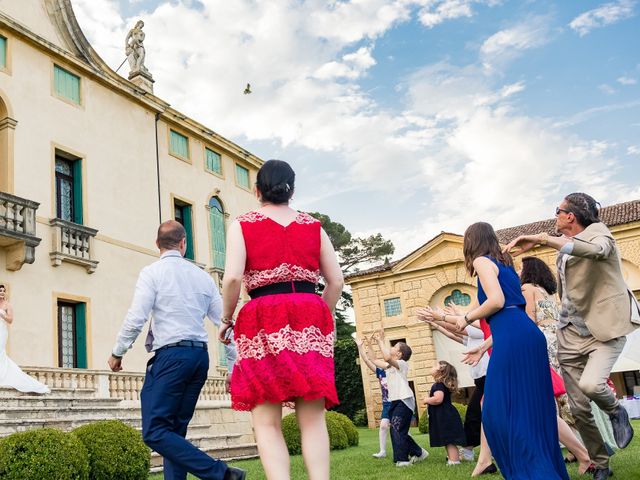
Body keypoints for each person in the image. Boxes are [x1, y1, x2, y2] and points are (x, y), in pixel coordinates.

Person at [218, 159, 342, 480]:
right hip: (309, 311)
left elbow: (232, 278)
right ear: (292, 191)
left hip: (262, 316)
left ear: (257, 190)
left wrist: (226, 318)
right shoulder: (313, 226)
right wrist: (320, 316)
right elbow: (336, 281)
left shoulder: (242, 225)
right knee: (313, 419)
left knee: (267, 420)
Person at [505, 193, 638, 480]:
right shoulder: (563, 250)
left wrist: (542, 238)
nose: (555, 217)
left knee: (592, 384)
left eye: (558, 211)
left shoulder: (599, 233)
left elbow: (597, 251)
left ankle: (616, 412)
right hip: (570, 335)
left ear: (571, 216)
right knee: (578, 408)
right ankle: (600, 463)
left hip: (603, 331)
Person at [108, 220, 245, 480]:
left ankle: (223, 474)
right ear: (183, 244)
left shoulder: (152, 273)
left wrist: (118, 352)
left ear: (157, 244)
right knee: (174, 432)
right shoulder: (202, 277)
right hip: (198, 358)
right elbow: (229, 325)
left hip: (171, 357)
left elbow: (137, 317)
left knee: (155, 431)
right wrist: (232, 366)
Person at [448, 222, 568, 479]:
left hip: (513, 335)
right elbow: (511, 310)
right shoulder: (505, 263)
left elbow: (497, 302)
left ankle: (530, 469)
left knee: (493, 409)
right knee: (532, 406)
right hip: (522, 334)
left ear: (471, 242)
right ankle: (541, 467)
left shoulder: (481, 261)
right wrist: (483, 346)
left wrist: (466, 318)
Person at [519, 256, 592, 474]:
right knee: (561, 394)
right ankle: (577, 448)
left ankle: (578, 451)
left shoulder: (527, 288)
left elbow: (529, 319)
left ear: (528, 270)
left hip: (541, 339)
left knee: (548, 398)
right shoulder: (547, 291)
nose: (519, 271)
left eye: (521, 267)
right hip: (557, 339)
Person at [374, 329, 429, 467]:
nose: (391, 348)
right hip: (395, 401)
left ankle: (403, 460)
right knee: (397, 429)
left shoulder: (402, 364)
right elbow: (374, 360)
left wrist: (381, 340)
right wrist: (370, 344)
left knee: (397, 428)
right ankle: (419, 452)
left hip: (404, 400)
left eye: (394, 347)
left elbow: (386, 358)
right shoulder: (390, 366)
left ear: (399, 354)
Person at [0, 285, 49, 394]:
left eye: (3, 291)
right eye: (0, 291)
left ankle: (4, 376)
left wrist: (2, 315)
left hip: (2, 331)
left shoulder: (8, 305)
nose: (2, 293)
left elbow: (10, 320)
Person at [423, 360, 466, 465]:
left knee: (449, 439)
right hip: (446, 414)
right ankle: (453, 459)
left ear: (441, 371)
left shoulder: (438, 384)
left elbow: (438, 399)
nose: (431, 366)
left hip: (444, 416)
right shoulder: (442, 384)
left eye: (434, 366)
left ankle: (454, 461)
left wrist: (427, 400)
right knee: (448, 439)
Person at [355, 335, 391, 458]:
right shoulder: (380, 372)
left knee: (401, 429)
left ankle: (414, 449)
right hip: (387, 403)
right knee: (383, 426)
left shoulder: (394, 370)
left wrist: (372, 343)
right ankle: (382, 451)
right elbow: (367, 360)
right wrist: (360, 346)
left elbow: (374, 358)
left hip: (398, 402)